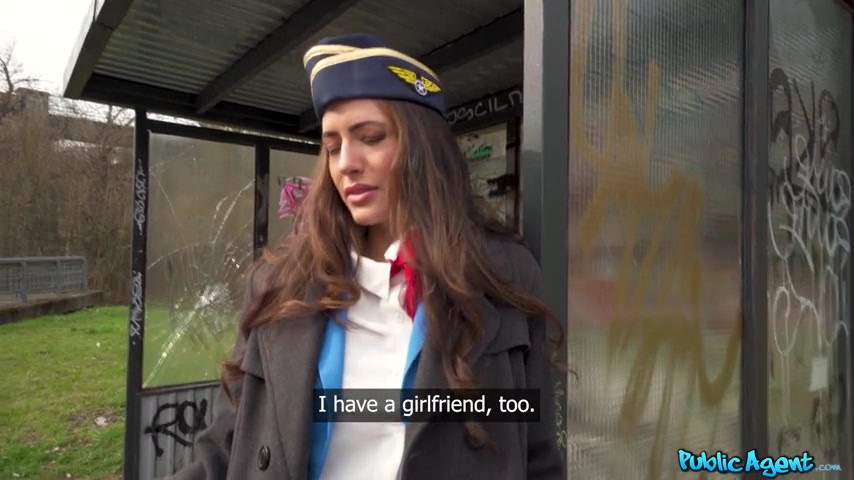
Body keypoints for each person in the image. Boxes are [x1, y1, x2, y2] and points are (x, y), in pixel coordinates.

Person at [166, 33, 565, 480]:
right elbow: (225, 448)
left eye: (370, 137)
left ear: (424, 148)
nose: (345, 163)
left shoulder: (503, 275)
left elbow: (535, 455)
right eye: (332, 146)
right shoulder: (281, 283)